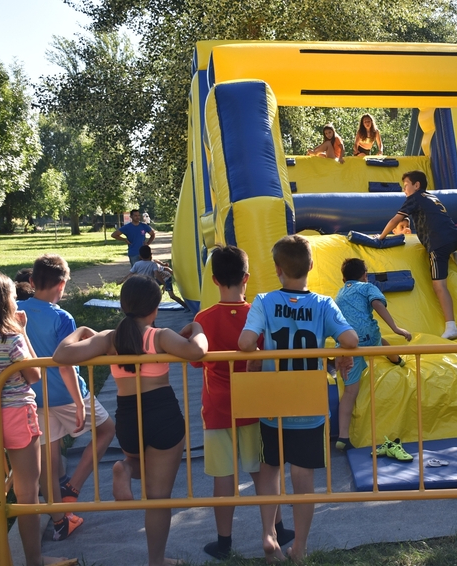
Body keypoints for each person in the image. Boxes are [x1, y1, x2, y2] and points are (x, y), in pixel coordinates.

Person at [53, 275, 208, 566]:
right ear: (154, 309)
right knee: (159, 497)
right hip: (162, 413)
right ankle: (156, 561)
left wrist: (82, 330)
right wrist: (198, 327)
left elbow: (62, 354)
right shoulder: (159, 336)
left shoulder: (111, 338)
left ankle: (125, 467)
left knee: (138, 464)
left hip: (128, 416)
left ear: (124, 305)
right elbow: (197, 350)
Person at [237, 235, 358, 563]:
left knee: (269, 470)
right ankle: (300, 546)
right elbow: (351, 338)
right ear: (311, 266)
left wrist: (261, 350)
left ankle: (268, 534)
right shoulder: (323, 304)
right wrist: (335, 352)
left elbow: (245, 342)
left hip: (273, 400)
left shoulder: (263, 300)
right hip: (308, 402)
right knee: (303, 479)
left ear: (278, 270)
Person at [0, 271, 76, 566]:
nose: (17, 302)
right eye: (13, 297)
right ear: (3, 305)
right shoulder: (10, 338)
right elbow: (34, 373)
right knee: (28, 495)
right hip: (18, 417)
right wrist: (23, 331)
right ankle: (34, 560)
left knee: (9, 489)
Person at [190, 245, 293, 559]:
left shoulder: (203, 318)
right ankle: (276, 529)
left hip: (218, 409)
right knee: (263, 472)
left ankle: (224, 542)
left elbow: (197, 361)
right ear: (247, 277)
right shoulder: (258, 315)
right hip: (255, 405)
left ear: (214, 279)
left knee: (224, 476)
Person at [17, 254, 116, 535]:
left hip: (34, 396)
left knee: (49, 459)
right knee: (107, 429)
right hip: (67, 395)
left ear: (32, 281)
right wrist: (78, 402)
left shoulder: (15, 310)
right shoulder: (62, 316)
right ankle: (73, 487)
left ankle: (59, 521)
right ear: (62, 285)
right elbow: (66, 364)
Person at [377, 170, 457, 340]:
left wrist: (381, 237)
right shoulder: (432, 197)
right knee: (444, 244)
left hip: (438, 244)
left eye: (406, 185)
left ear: (416, 185)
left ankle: (451, 326)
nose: (404, 190)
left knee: (439, 286)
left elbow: (395, 220)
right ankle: (453, 252)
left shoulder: (414, 199)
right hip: (454, 236)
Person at [334, 258, 412, 451]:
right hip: (367, 338)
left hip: (346, 344)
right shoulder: (367, 287)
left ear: (343, 278)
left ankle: (342, 436)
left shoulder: (340, 292)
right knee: (380, 340)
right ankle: (396, 359)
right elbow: (377, 304)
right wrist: (395, 327)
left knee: (350, 393)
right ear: (365, 275)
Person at [121, 245, 189, 311]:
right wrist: (122, 281)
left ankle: (186, 306)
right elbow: (130, 274)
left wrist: (167, 282)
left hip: (165, 278)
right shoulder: (141, 264)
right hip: (155, 279)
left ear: (140, 256)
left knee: (171, 295)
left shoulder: (153, 264)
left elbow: (163, 271)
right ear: (150, 254)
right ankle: (148, 308)